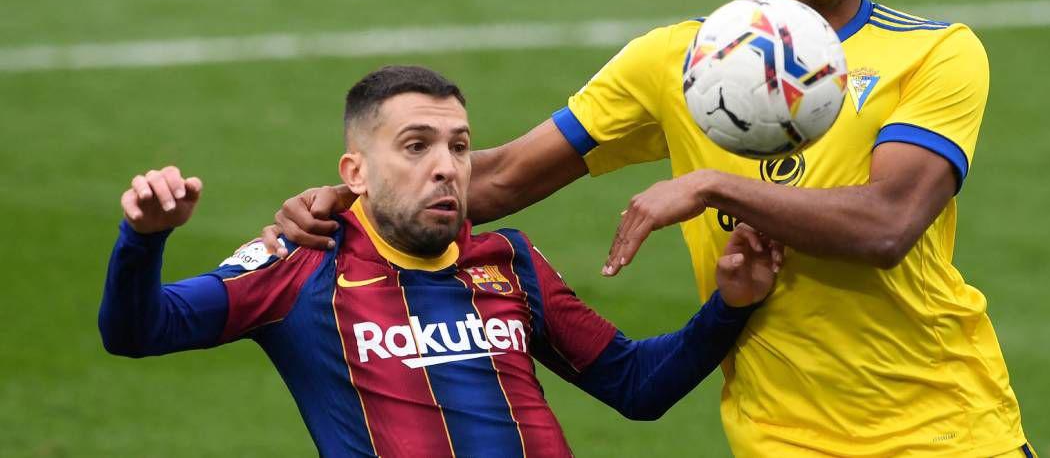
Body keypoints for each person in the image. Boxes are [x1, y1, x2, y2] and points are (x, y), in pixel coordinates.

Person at [268, 0, 1035, 457]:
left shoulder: (935, 52)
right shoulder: (682, 60)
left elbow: (888, 222)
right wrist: (350, 203)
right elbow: (497, 179)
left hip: (946, 428)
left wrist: (709, 183)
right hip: (780, 439)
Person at [100, 65, 779, 457]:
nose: (446, 167)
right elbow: (138, 330)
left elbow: (636, 386)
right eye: (416, 145)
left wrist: (731, 305)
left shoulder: (507, 259)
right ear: (354, 170)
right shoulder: (300, 262)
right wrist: (143, 238)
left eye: (458, 146)